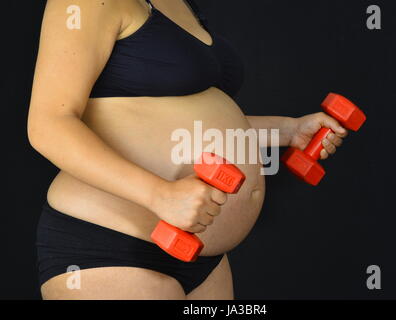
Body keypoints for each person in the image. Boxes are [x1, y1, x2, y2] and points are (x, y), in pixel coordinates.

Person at [28, 0, 347, 300]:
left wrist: (287, 131)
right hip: (113, 245)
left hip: (202, 256)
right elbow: (48, 125)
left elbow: (184, 118)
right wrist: (159, 195)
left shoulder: (179, 3)